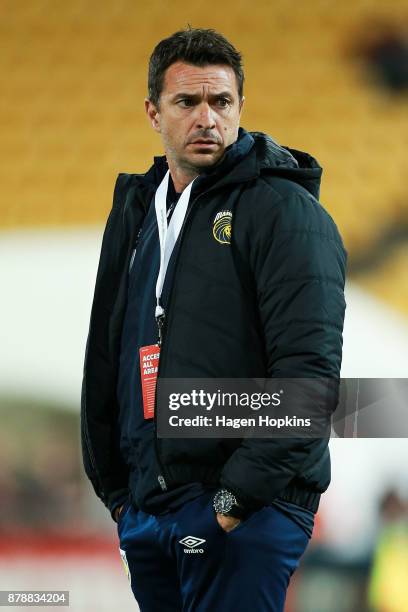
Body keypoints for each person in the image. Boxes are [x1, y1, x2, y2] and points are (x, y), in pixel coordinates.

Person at [80, 26, 347, 612]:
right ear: (154, 112)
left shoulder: (285, 213)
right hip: (151, 509)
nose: (207, 118)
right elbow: (106, 355)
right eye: (187, 102)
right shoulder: (136, 213)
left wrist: (235, 501)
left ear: (240, 108)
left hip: (241, 510)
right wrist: (120, 496)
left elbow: (309, 374)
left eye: (221, 102)